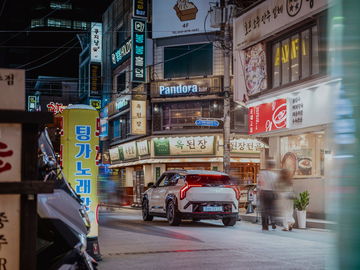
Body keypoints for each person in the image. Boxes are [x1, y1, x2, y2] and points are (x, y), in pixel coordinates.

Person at [257, 159, 278, 230]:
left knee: (264, 209)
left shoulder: (262, 173)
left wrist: (259, 191)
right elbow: (276, 185)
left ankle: (265, 226)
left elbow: (260, 183)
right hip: (272, 193)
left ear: (267, 165)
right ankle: (273, 221)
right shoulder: (275, 175)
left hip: (264, 192)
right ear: (273, 166)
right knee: (272, 208)